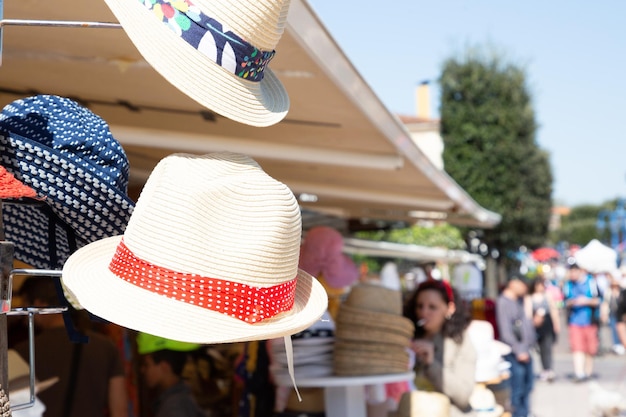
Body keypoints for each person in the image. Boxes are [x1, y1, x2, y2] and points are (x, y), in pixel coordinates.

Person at [13, 276, 128, 417]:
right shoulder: (106, 347)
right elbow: (120, 411)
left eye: (25, 305)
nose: (22, 315)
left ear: (39, 304)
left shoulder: (20, 352)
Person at [403, 279, 476, 416]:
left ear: (450, 309)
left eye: (432, 307)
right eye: (420, 306)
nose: (424, 312)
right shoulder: (410, 337)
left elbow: (463, 395)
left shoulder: (460, 341)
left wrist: (431, 364)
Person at [136, 332, 208, 417]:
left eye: (146, 364)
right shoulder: (179, 400)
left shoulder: (174, 407)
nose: (142, 370)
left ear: (164, 367)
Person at [496, 276, 535, 417]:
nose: (525, 288)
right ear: (513, 283)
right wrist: (519, 350)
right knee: (516, 390)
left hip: (525, 350)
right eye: (523, 284)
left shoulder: (519, 300)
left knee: (527, 387)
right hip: (514, 353)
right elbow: (506, 331)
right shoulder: (503, 302)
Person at [562, 263, 602, 382]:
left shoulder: (591, 282)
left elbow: (599, 299)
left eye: (575, 271)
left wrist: (587, 301)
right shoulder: (568, 285)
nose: (572, 274)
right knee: (577, 347)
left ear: (580, 271)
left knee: (590, 348)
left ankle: (587, 371)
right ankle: (579, 373)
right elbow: (563, 301)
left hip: (590, 320)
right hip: (574, 321)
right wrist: (571, 302)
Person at [524, 277, 560, 382]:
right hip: (535, 326)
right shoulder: (529, 297)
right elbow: (528, 313)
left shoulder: (547, 295)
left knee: (547, 348)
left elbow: (553, 310)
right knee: (538, 349)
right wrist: (532, 322)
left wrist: (556, 324)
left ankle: (549, 369)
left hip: (547, 325)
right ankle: (544, 369)